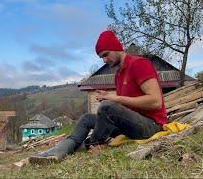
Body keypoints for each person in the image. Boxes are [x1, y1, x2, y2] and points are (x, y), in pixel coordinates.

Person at [28, 30, 168, 165]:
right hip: (130, 124)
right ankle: (58, 151)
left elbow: (155, 102)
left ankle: (91, 145)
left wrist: (115, 99)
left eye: (106, 55)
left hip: (151, 126)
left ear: (117, 48)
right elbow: (124, 109)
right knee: (87, 118)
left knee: (107, 106)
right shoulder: (118, 76)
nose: (104, 60)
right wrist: (111, 100)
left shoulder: (139, 64)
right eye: (101, 57)